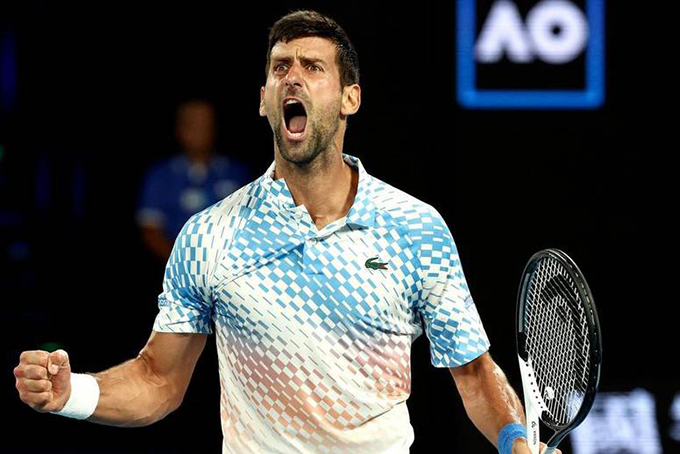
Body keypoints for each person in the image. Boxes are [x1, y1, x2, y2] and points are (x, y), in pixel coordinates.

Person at [14, 10, 560, 454]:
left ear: (350, 98)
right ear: (264, 100)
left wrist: (515, 443)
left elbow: (474, 373)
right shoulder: (210, 235)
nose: (292, 77)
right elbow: (158, 380)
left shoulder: (415, 228)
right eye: (280, 67)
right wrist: (71, 393)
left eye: (313, 67)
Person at [136, 98, 251, 261]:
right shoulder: (161, 175)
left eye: (206, 124)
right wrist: (184, 265)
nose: (200, 131)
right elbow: (150, 230)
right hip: (175, 265)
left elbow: (249, 224)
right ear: (179, 129)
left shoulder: (236, 172)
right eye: (193, 124)